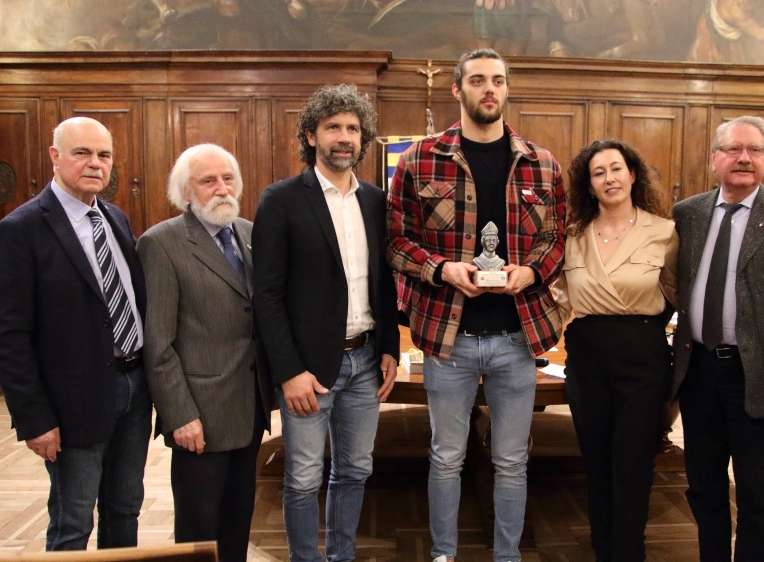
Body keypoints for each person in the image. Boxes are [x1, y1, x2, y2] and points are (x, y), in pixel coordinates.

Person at [387, 48, 565, 562]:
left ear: (508, 89)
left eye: (499, 81)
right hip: (449, 339)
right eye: (479, 81)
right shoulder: (420, 159)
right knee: (446, 458)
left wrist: (531, 271)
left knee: (512, 461)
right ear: (458, 90)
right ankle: (444, 554)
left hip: (517, 339)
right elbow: (396, 240)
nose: (490, 89)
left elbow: (556, 238)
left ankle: (505, 555)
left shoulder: (541, 162)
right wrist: (443, 269)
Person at [0, 116, 150, 551]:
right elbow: (6, 335)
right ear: (55, 157)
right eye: (82, 153)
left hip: (134, 389)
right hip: (73, 402)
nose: (95, 163)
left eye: (104, 155)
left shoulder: (115, 218)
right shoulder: (21, 230)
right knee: (74, 521)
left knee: (125, 508)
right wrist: (34, 418)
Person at [253, 84, 399, 562]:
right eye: (333, 127)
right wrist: (288, 371)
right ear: (311, 135)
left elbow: (384, 282)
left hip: (364, 360)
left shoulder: (376, 202)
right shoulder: (281, 200)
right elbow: (267, 297)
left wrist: (390, 348)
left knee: (355, 470)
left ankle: (341, 556)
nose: (344, 137)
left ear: (364, 139)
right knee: (302, 477)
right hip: (309, 371)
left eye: (353, 129)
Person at [670, 114, 764, 561]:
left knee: (758, 491)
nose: (744, 158)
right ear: (714, 158)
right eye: (734, 149)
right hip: (697, 371)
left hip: (760, 377)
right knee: (704, 486)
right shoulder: (687, 214)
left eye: (755, 150)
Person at [138, 143, 273, 562]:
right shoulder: (161, 244)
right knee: (199, 530)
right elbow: (158, 343)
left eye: (228, 178)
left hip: (249, 407)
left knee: (237, 520)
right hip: (199, 415)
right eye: (208, 180)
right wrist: (179, 415)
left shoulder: (251, 234)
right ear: (186, 192)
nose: (222, 188)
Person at [551, 139, 677, 561]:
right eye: (599, 172)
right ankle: (603, 548)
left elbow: (678, 294)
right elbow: (560, 298)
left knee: (633, 462)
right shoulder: (572, 238)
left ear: (633, 175)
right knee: (597, 461)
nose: (610, 178)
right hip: (587, 356)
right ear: (588, 186)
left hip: (643, 354)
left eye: (616, 168)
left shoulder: (664, 232)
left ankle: (629, 551)